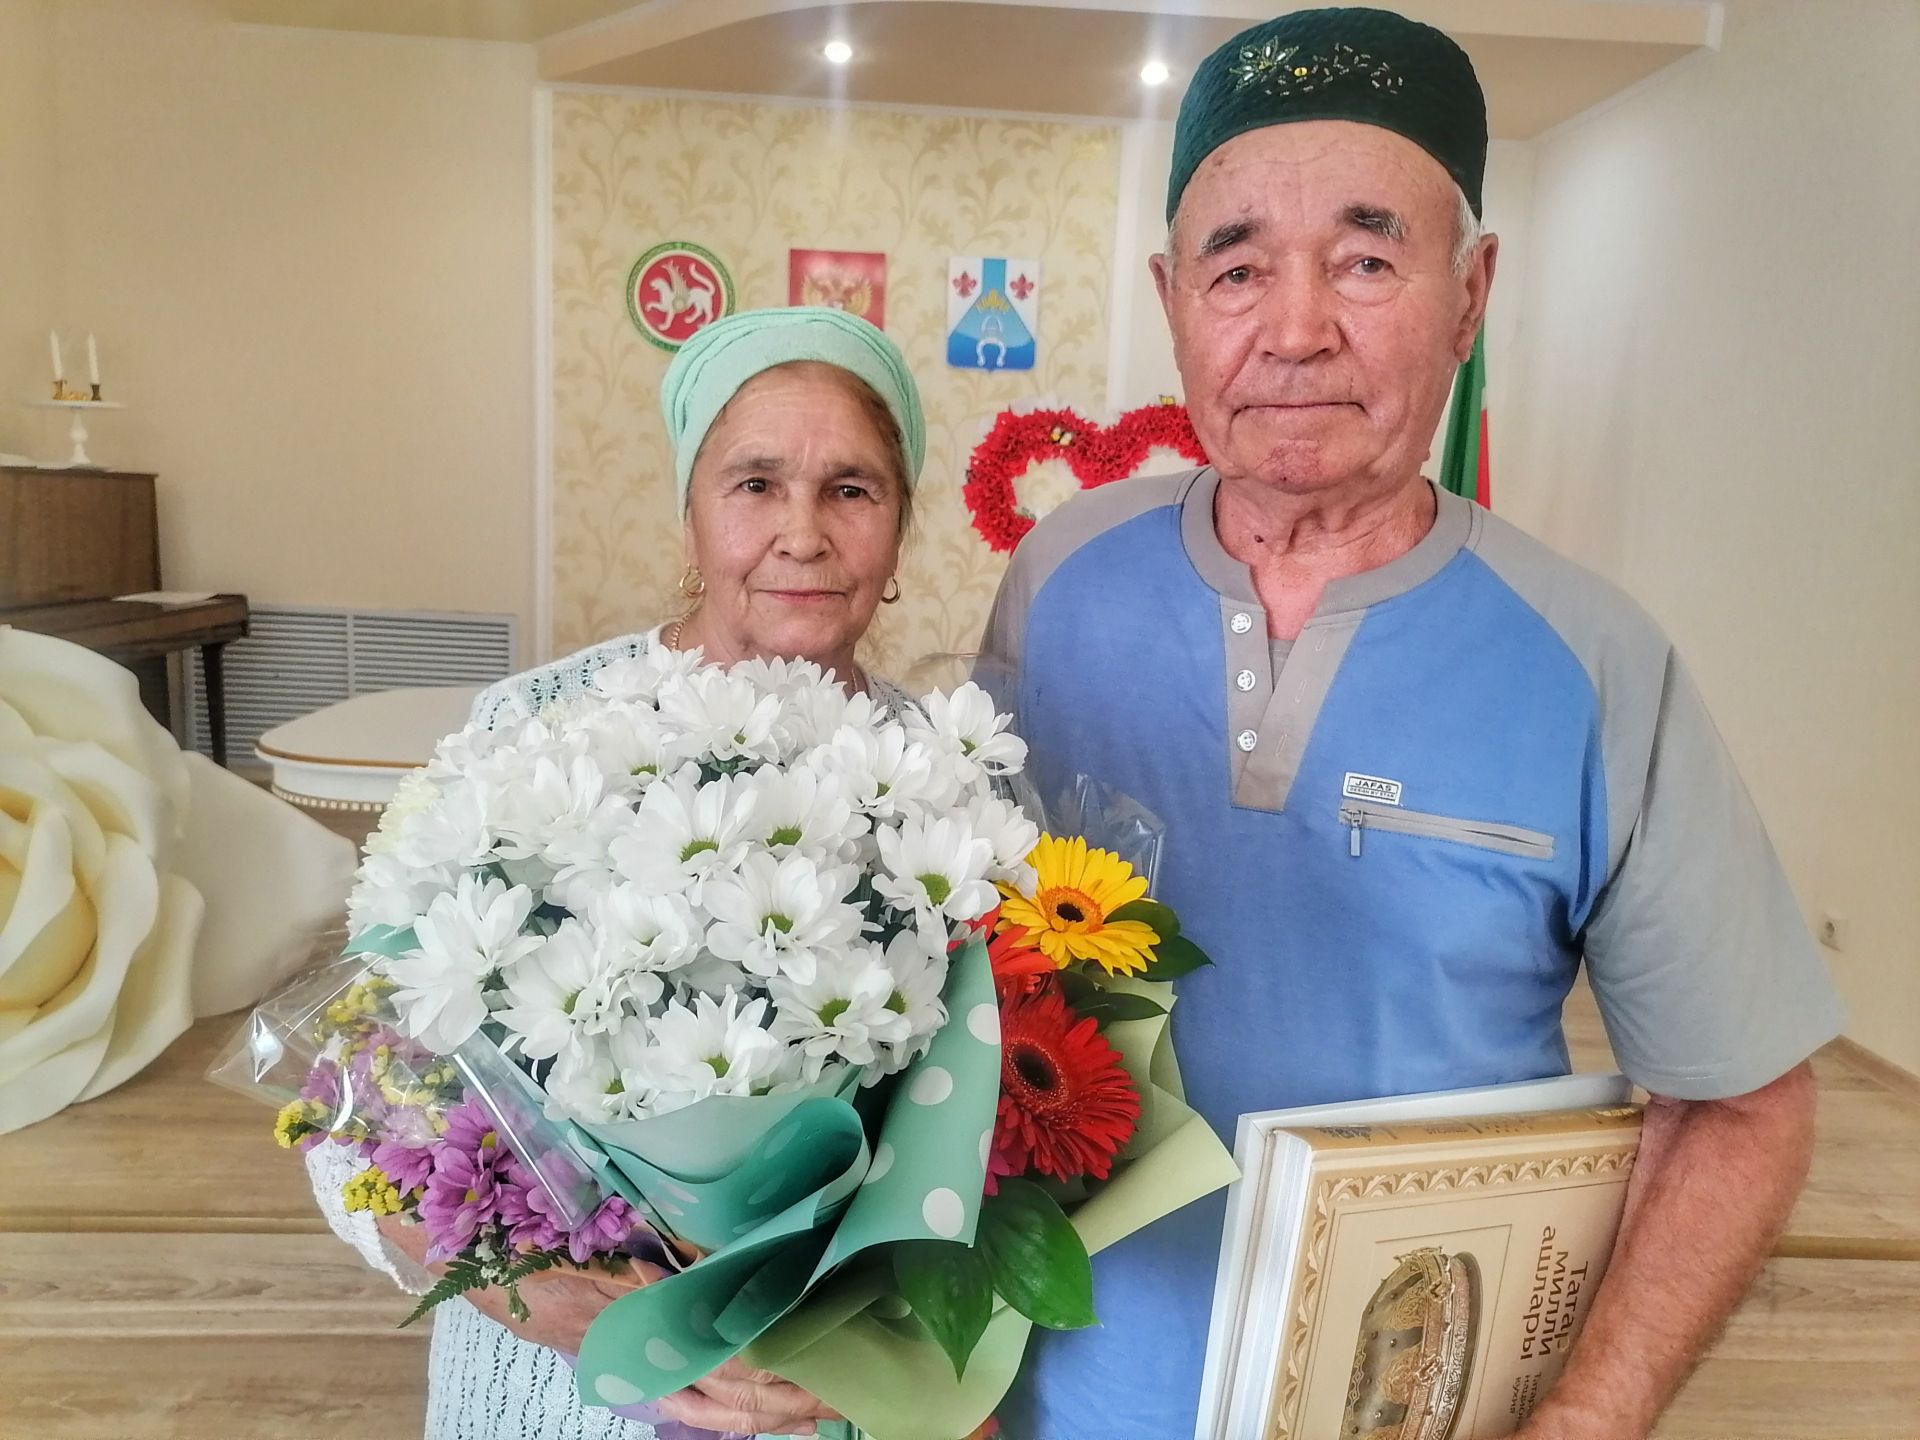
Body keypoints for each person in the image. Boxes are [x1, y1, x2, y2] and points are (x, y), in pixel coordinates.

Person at [976, 8, 1844, 1438]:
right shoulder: (1061, 580)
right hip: (1049, 1403)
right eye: (1237, 266)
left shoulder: (1590, 661)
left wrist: (1592, 1414)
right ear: (1174, 299)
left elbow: (1742, 1105)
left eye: (1367, 259)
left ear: (1471, 291)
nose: (1295, 329)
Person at [309, 306, 925, 1440]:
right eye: (754, 484)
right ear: (690, 516)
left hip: (830, 1401)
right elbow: (354, 1127)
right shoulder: (533, 727)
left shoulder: (943, 776)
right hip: (556, 1398)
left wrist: (873, 1323)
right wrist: (531, 1293)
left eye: (851, 488)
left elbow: (993, 1139)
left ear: (899, 527)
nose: (802, 533)